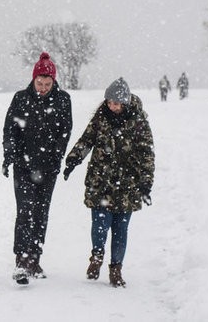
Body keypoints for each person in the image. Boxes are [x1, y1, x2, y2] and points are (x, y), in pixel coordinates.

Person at [63, 77, 154, 288]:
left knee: (121, 230)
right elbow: (87, 140)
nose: (112, 106)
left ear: (125, 103)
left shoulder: (138, 122)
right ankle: (96, 257)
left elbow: (146, 154)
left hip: (127, 185)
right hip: (101, 182)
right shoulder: (100, 118)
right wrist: (73, 160)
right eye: (109, 102)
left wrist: (145, 182)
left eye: (116, 103)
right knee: (100, 224)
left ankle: (116, 268)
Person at [2, 52, 73, 285]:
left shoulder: (63, 100)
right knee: (25, 211)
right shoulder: (21, 98)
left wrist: (57, 156)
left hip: (48, 168)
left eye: (47, 84)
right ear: (33, 80)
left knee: (41, 214)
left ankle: (34, 258)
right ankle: (21, 262)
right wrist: (9, 155)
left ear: (54, 82)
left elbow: (65, 130)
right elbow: (10, 129)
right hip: (23, 165)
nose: (43, 87)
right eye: (39, 83)